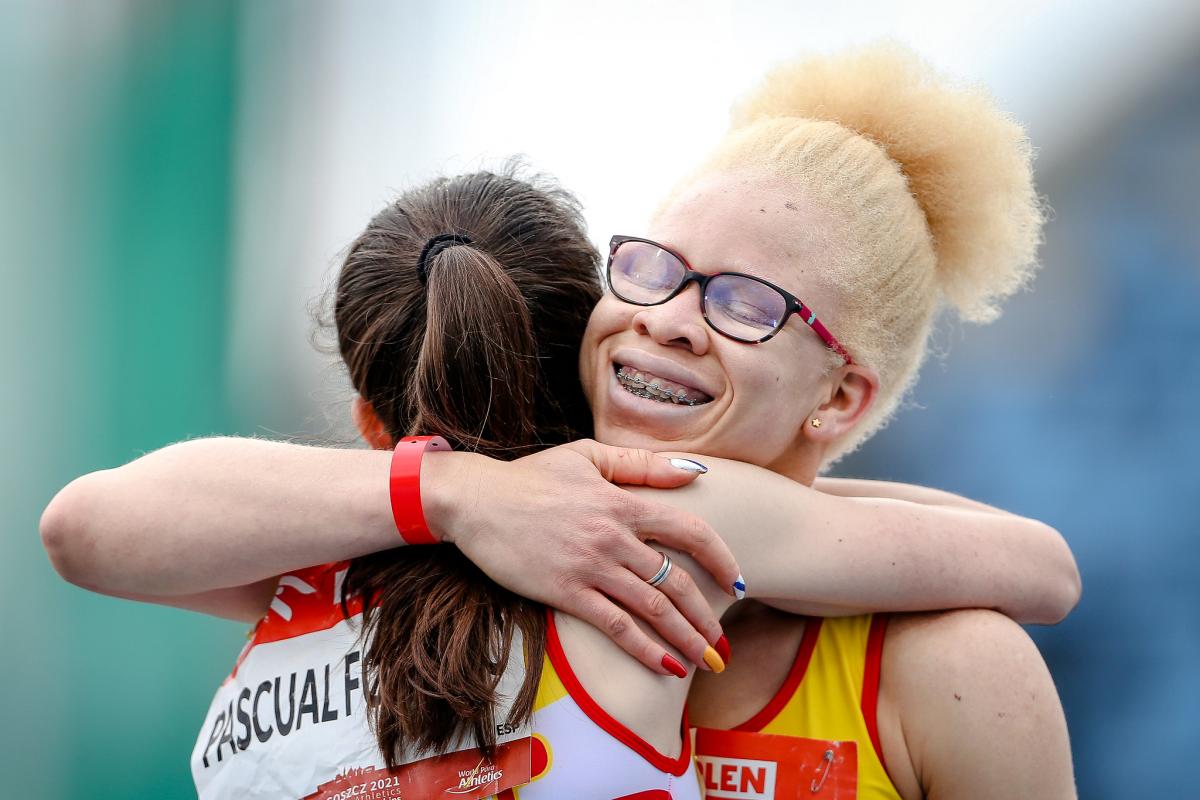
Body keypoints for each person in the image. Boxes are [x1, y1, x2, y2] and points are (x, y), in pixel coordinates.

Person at [41, 43, 1079, 798]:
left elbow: (1044, 570)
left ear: (841, 395)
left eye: (746, 302)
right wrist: (459, 491)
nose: (668, 322)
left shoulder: (951, 672)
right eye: (654, 268)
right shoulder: (482, 544)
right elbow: (86, 526)